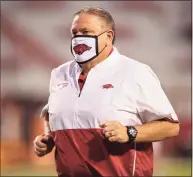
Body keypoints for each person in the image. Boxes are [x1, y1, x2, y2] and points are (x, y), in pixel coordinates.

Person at [33, 7, 180, 177]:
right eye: (75, 33)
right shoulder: (59, 74)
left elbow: (171, 127)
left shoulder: (135, 72)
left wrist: (128, 132)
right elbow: (51, 115)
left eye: (86, 32)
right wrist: (47, 138)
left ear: (109, 37)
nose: (79, 38)